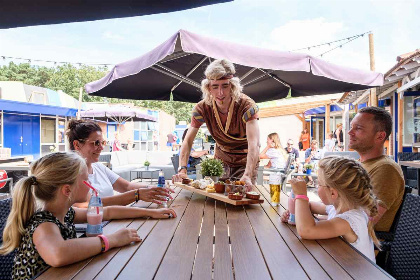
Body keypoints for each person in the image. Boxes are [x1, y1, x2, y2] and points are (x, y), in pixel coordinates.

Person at [0, 152, 176, 280]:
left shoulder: (64, 212)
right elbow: (58, 254)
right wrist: (111, 240)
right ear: (67, 190)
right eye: (86, 180)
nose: (91, 184)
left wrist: (151, 213)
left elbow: (108, 212)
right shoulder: (43, 223)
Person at [173, 59, 260, 190]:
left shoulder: (247, 106)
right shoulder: (201, 109)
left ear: (232, 86)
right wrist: (182, 169)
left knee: (240, 198)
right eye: (215, 86)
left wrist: (248, 174)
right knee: (215, 197)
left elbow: (254, 143)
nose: (220, 93)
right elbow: (188, 141)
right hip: (221, 161)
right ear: (208, 88)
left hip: (245, 161)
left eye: (225, 86)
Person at [281, 156, 379, 261]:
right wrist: (296, 214)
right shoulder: (337, 208)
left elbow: (306, 230)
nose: (316, 186)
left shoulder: (349, 221)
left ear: (332, 193)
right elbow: (309, 206)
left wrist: (301, 195)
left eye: (318, 184)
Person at [67, 119, 173, 207]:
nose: (101, 147)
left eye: (103, 142)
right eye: (96, 143)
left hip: (112, 222)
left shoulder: (98, 167)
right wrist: (136, 195)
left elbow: (126, 186)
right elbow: (85, 205)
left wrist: (155, 189)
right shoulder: (69, 174)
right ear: (77, 145)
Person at [348, 106, 404, 232]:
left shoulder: (386, 169)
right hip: (342, 236)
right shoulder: (360, 164)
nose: (350, 132)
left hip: (357, 247)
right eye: (351, 127)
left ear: (380, 136)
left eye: (358, 128)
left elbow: (365, 221)